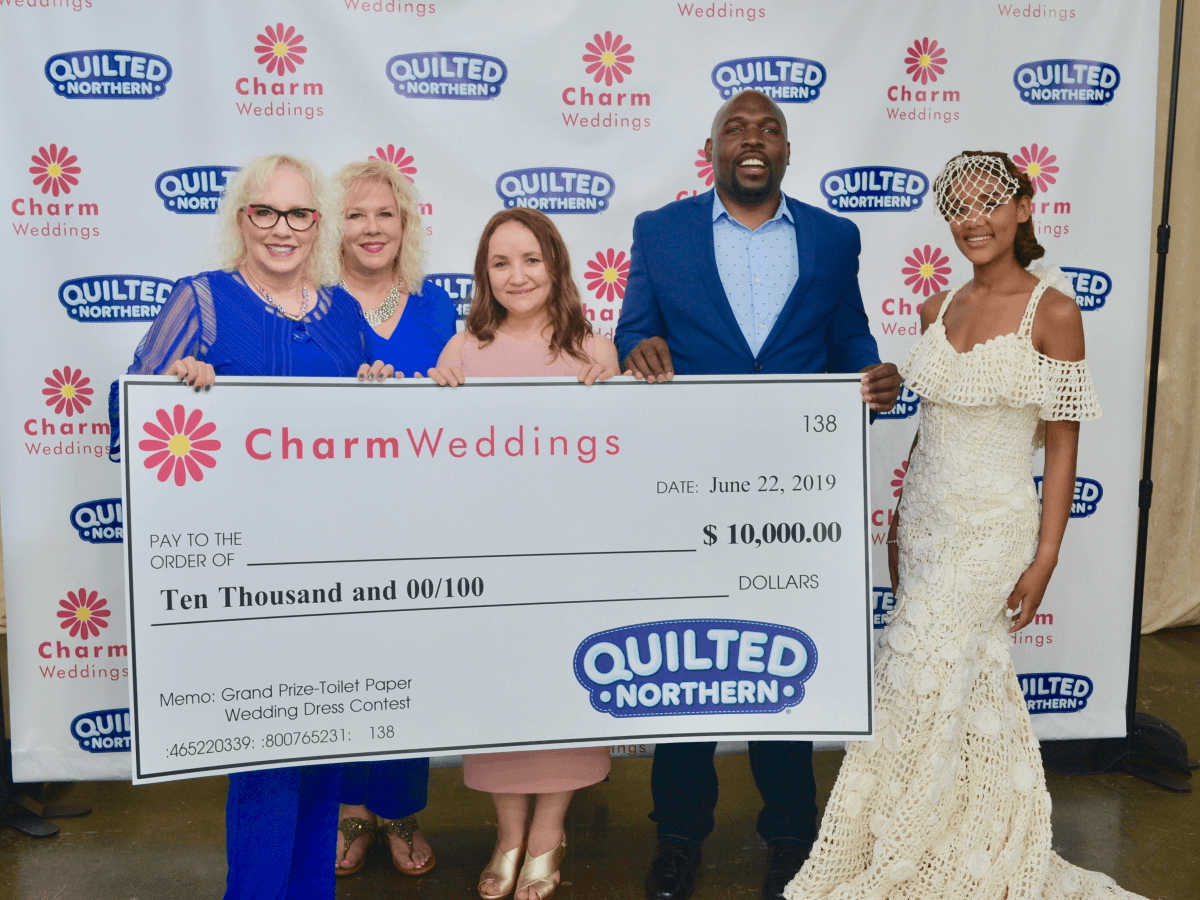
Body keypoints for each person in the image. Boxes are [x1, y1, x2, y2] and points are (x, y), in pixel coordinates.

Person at [784, 152, 1142, 898]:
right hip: (925, 522)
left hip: (992, 529)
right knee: (958, 684)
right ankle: (962, 834)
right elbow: (929, 431)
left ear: (1023, 208)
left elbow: (1064, 444)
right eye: (959, 208)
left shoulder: (1054, 312)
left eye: (989, 203)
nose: (973, 220)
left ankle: (910, 848)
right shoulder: (935, 309)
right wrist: (897, 523)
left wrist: (1045, 556)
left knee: (922, 673)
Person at [614, 89, 901, 900]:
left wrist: (872, 373)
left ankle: (791, 837)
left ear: (785, 151)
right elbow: (634, 326)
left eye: (768, 129)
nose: (752, 139)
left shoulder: (834, 236)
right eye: (735, 128)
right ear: (712, 149)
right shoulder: (659, 232)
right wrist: (640, 347)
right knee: (688, 662)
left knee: (785, 660)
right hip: (688, 487)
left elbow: (848, 336)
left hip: (794, 493)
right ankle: (678, 837)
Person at [119, 153, 391, 900]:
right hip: (245, 578)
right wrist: (178, 391)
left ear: (318, 224)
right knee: (267, 760)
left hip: (333, 569)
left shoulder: (343, 314)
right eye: (265, 211)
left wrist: (377, 393)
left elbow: (371, 441)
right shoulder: (202, 300)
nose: (282, 228)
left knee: (324, 752)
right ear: (243, 219)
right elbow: (126, 414)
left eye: (299, 213)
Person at [427, 207, 618, 899]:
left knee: (564, 691)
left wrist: (613, 402)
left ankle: (548, 834)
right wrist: (436, 399)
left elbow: (623, 463)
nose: (517, 275)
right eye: (500, 262)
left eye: (531, 259)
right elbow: (434, 463)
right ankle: (508, 836)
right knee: (500, 693)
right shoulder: (459, 351)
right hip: (488, 562)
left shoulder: (597, 352)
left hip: (573, 560)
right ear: (484, 275)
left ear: (556, 265)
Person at [329, 158, 455, 879]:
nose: (371, 228)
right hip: (332, 512)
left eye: (385, 214)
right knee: (344, 658)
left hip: (416, 510)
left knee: (408, 657)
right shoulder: (309, 301)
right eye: (355, 215)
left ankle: (401, 808)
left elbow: (463, 391)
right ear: (333, 226)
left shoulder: (435, 305)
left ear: (405, 226)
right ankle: (349, 809)